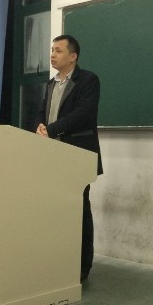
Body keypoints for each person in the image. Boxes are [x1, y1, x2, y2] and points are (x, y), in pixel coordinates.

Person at [34, 34, 103, 283]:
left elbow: (83, 114)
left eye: (59, 50)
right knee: (55, 208)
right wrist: (39, 127)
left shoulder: (88, 80)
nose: (53, 55)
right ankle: (58, 259)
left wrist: (51, 130)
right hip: (52, 154)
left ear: (73, 56)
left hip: (77, 153)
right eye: (52, 50)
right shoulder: (51, 84)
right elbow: (42, 112)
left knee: (79, 208)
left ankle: (82, 266)